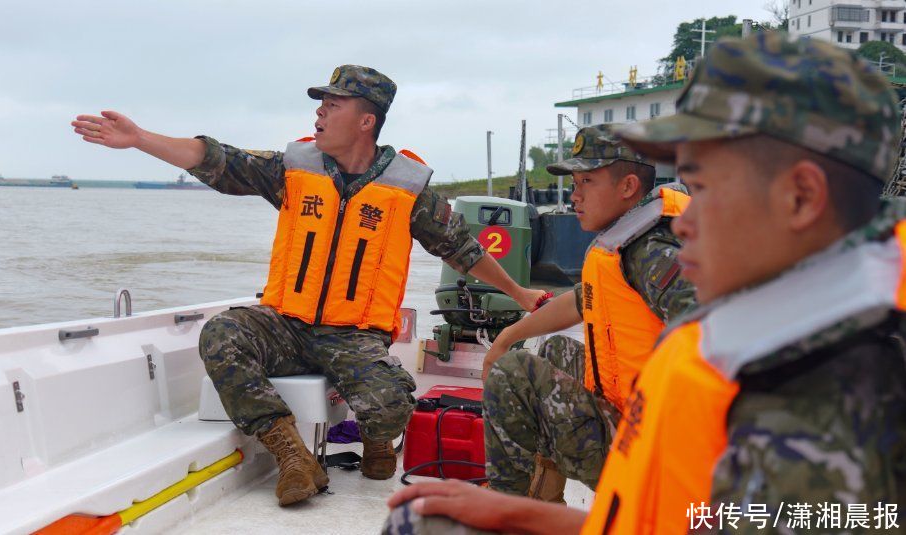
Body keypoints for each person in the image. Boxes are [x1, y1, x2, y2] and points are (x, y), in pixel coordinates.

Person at [383, 32, 906, 535]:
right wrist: (526, 519)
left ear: (801, 197)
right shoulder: (776, 333)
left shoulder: (833, 416)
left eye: (706, 188)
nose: (687, 220)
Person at [71, 64, 545, 506]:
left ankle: (380, 441)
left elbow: (462, 249)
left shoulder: (408, 188)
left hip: (355, 335)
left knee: (388, 404)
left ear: (366, 120)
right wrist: (138, 139)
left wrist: (521, 296)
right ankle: (291, 454)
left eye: (333, 105)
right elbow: (216, 159)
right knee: (221, 334)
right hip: (285, 323)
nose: (319, 112)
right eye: (321, 103)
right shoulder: (294, 168)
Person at [480, 126, 695, 502]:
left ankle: (504, 508)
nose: (575, 196)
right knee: (555, 351)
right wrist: (506, 336)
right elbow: (582, 299)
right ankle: (543, 498)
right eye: (575, 182)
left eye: (587, 182)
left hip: (651, 453)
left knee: (512, 374)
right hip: (629, 414)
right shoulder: (627, 240)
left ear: (628, 187)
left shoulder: (650, 251)